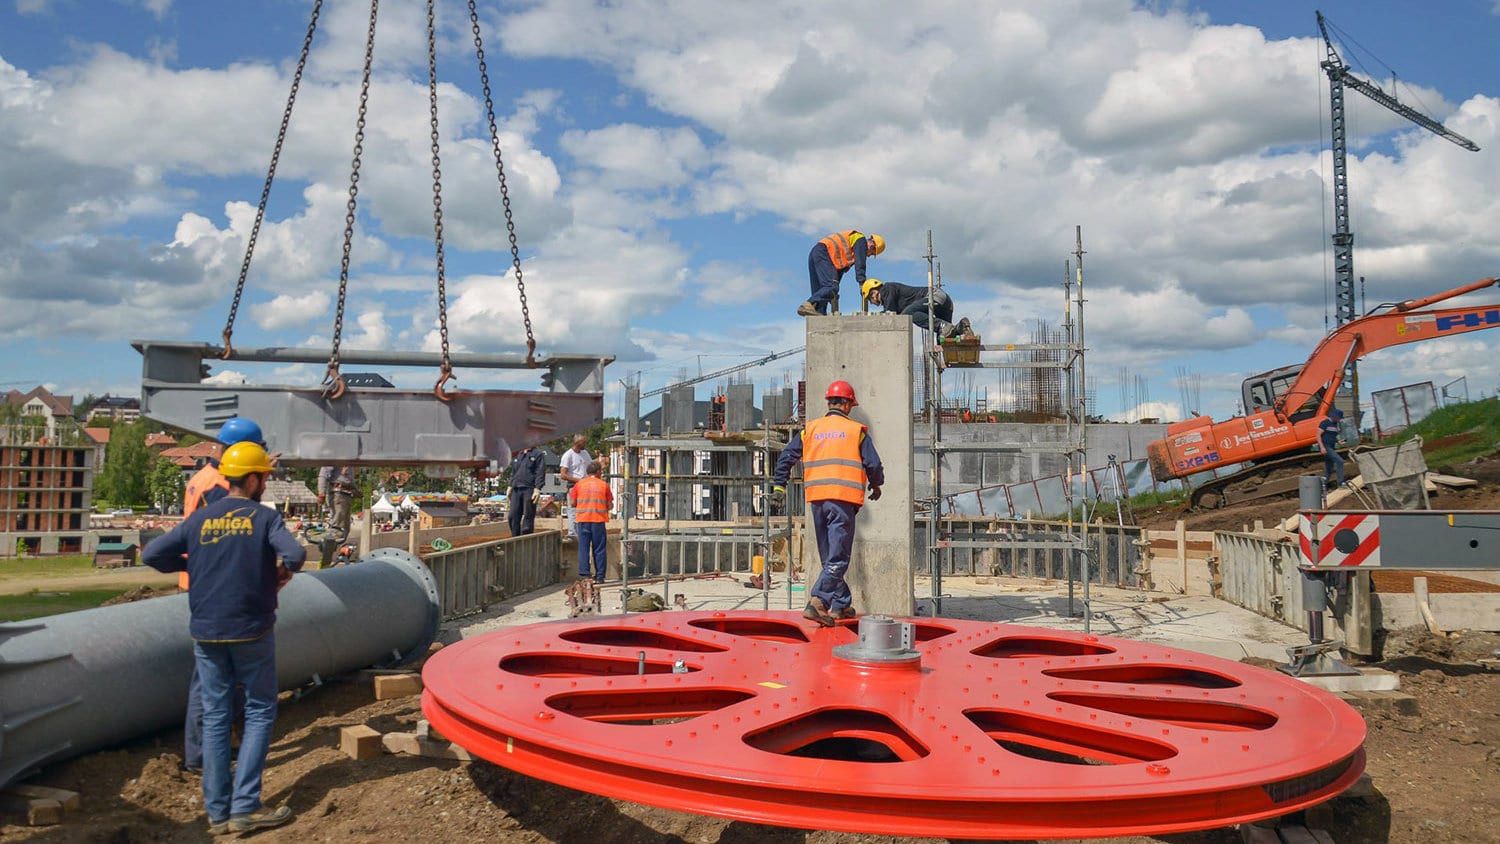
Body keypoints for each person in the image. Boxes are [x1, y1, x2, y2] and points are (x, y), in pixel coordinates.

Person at [141, 442, 303, 836]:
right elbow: (295, 555)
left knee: (214, 716)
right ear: (251, 479)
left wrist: (192, 561)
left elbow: (152, 555)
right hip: (252, 630)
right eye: (263, 477)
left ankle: (217, 812)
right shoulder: (264, 519)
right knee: (261, 709)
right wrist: (277, 574)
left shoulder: (200, 520)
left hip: (207, 632)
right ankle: (245, 806)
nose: (265, 483)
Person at [179, 416, 265, 774]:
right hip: (215, 585)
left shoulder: (203, 476)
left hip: (200, 579)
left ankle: (216, 745)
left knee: (217, 671)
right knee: (212, 675)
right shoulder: (219, 486)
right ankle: (201, 754)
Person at [770, 380, 885, 627]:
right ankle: (818, 602)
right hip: (842, 501)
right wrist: (877, 485)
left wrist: (780, 485)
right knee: (838, 558)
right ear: (846, 404)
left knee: (829, 557)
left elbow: (787, 456)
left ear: (829, 403)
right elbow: (873, 465)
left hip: (817, 500)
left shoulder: (810, 429)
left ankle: (841, 605)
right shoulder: (856, 431)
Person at [798, 230, 885, 317]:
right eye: (872, 253)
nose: (868, 256)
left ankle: (818, 313)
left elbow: (838, 272)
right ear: (872, 246)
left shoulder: (851, 251)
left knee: (822, 291)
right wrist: (862, 284)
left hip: (817, 252)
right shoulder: (861, 241)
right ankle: (809, 304)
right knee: (831, 287)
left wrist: (833, 293)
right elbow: (860, 264)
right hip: (824, 252)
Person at [861, 278, 974, 339]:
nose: (872, 303)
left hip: (934, 296)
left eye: (869, 299)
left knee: (908, 314)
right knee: (945, 338)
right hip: (945, 303)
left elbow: (890, 313)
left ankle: (942, 325)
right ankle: (962, 328)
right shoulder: (892, 295)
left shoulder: (886, 289)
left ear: (873, 293)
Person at [569, 461, 613, 582]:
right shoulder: (604, 485)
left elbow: (572, 503)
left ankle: (585, 575)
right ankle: (599, 577)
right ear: (598, 472)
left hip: (583, 520)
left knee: (583, 548)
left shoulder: (579, 484)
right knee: (599, 549)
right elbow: (609, 505)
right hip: (598, 520)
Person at [316, 464, 358, 566]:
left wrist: (356, 489)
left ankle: (335, 558)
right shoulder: (336, 456)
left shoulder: (349, 460)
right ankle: (325, 561)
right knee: (337, 530)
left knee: (344, 530)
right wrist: (321, 492)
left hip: (346, 494)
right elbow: (323, 474)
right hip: (337, 494)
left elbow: (348, 479)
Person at [558, 435, 594, 539]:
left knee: (585, 509)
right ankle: (573, 532)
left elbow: (590, 465)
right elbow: (563, 475)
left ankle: (583, 531)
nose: (585, 444)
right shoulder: (568, 455)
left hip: (586, 486)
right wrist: (579, 480)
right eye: (583, 442)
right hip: (574, 486)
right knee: (573, 509)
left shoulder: (585, 453)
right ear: (577, 442)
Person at [507, 445, 547, 537]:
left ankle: (526, 537)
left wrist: (537, 489)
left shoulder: (537, 454)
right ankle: (515, 537)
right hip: (516, 488)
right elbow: (514, 472)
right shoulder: (518, 454)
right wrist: (510, 485)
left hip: (529, 489)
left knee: (528, 515)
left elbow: (540, 472)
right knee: (512, 516)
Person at [1319, 407, 1346, 489]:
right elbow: (1318, 435)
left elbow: (1332, 436)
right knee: (1340, 461)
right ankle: (1341, 483)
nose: (1339, 420)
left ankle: (1322, 486)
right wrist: (1322, 447)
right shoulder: (1325, 423)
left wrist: (1339, 441)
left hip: (1332, 446)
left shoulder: (1335, 425)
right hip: (1326, 446)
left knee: (1329, 467)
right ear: (1334, 416)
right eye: (1338, 418)